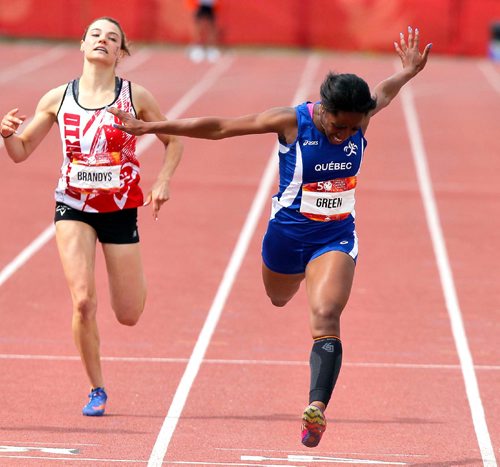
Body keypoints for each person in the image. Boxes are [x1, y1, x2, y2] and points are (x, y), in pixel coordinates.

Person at [108, 27, 431, 446]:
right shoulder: (291, 121)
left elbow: (384, 92)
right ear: (324, 109)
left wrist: (407, 72)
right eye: (338, 125)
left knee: (327, 316)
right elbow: (221, 126)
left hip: (335, 235)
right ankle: (299, 277)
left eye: (353, 129)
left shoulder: (360, 116)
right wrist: (152, 125)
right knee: (278, 297)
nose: (345, 134)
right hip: (286, 236)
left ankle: (316, 408)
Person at [1, 17, 183, 416]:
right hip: (73, 207)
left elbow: (173, 142)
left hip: (119, 210)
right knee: (83, 301)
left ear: (121, 53)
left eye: (112, 38)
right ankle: (96, 388)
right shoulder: (56, 98)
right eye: (96, 35)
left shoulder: (136, 96)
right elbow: (20, 151)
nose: (103, 41)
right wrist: (7, 134)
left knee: (129, 314)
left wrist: (164, 181)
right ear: (82, 44)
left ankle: (132, 281)